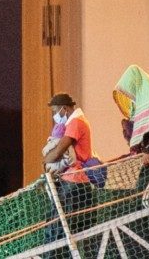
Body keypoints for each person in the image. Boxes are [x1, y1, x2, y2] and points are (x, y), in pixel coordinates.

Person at [42, 93, 102, 258]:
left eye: (56, 111)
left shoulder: (75, 122)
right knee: (66, 231)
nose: (55, 116)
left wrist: (46, 159)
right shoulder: (77, 121)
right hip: (75, 182)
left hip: (73, 182)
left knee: (59, 229)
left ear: (65, 109)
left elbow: (59, 150)